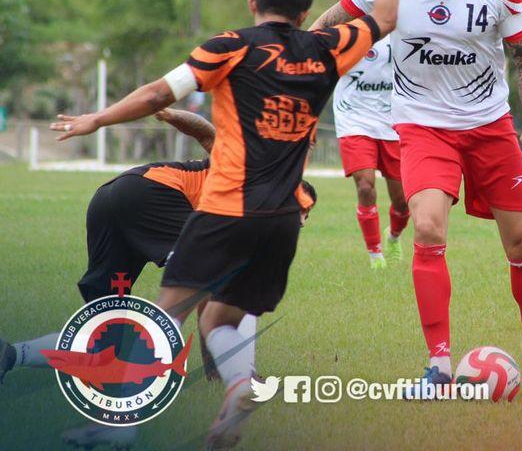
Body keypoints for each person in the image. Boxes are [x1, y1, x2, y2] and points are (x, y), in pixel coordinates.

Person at [48, 0, 401, 449]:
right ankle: (239, 386)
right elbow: (386, 17)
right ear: (307, 11)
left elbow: (156, 95)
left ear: (254, 3)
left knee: (166, 313)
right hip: (286, 219)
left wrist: (95, 119)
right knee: (219, 315)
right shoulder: (329, 48)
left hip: (225, 210)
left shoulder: (230, 45)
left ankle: (116, 429)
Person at [310, 0, 522, 393]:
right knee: (426, 227)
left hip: (489, 128)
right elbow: (327, 26)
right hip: (422, 127)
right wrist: (292, 67)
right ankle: (438, 369)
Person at [0, 109, 316, 449]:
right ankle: (243, 378)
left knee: (110, 338)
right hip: (153, 193)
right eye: (302, 209)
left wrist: (213, 366)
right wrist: (164, 110)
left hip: (111, 199)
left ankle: (12, 355)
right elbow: (206, 132)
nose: (302, 220)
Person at [332, 0, 410, 269]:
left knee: (403, 200)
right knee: (365, 186)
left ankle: (393, 238)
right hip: (354, 119)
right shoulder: (344, 36)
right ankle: (375, 255)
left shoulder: (404, 32)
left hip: (394, 122)